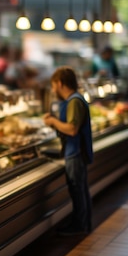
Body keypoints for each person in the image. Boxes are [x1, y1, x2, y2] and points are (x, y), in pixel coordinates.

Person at [43, 66, 93, 236]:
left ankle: (79, 225)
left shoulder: (74, 101)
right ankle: (83, 223)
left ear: (60, 83)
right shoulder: (74, 100)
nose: (53, 89)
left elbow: (72, 129)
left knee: (77, 189)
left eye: (53, 85)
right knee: (80, 189)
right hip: (75, 151)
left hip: (76, 153)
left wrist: (53, 122)